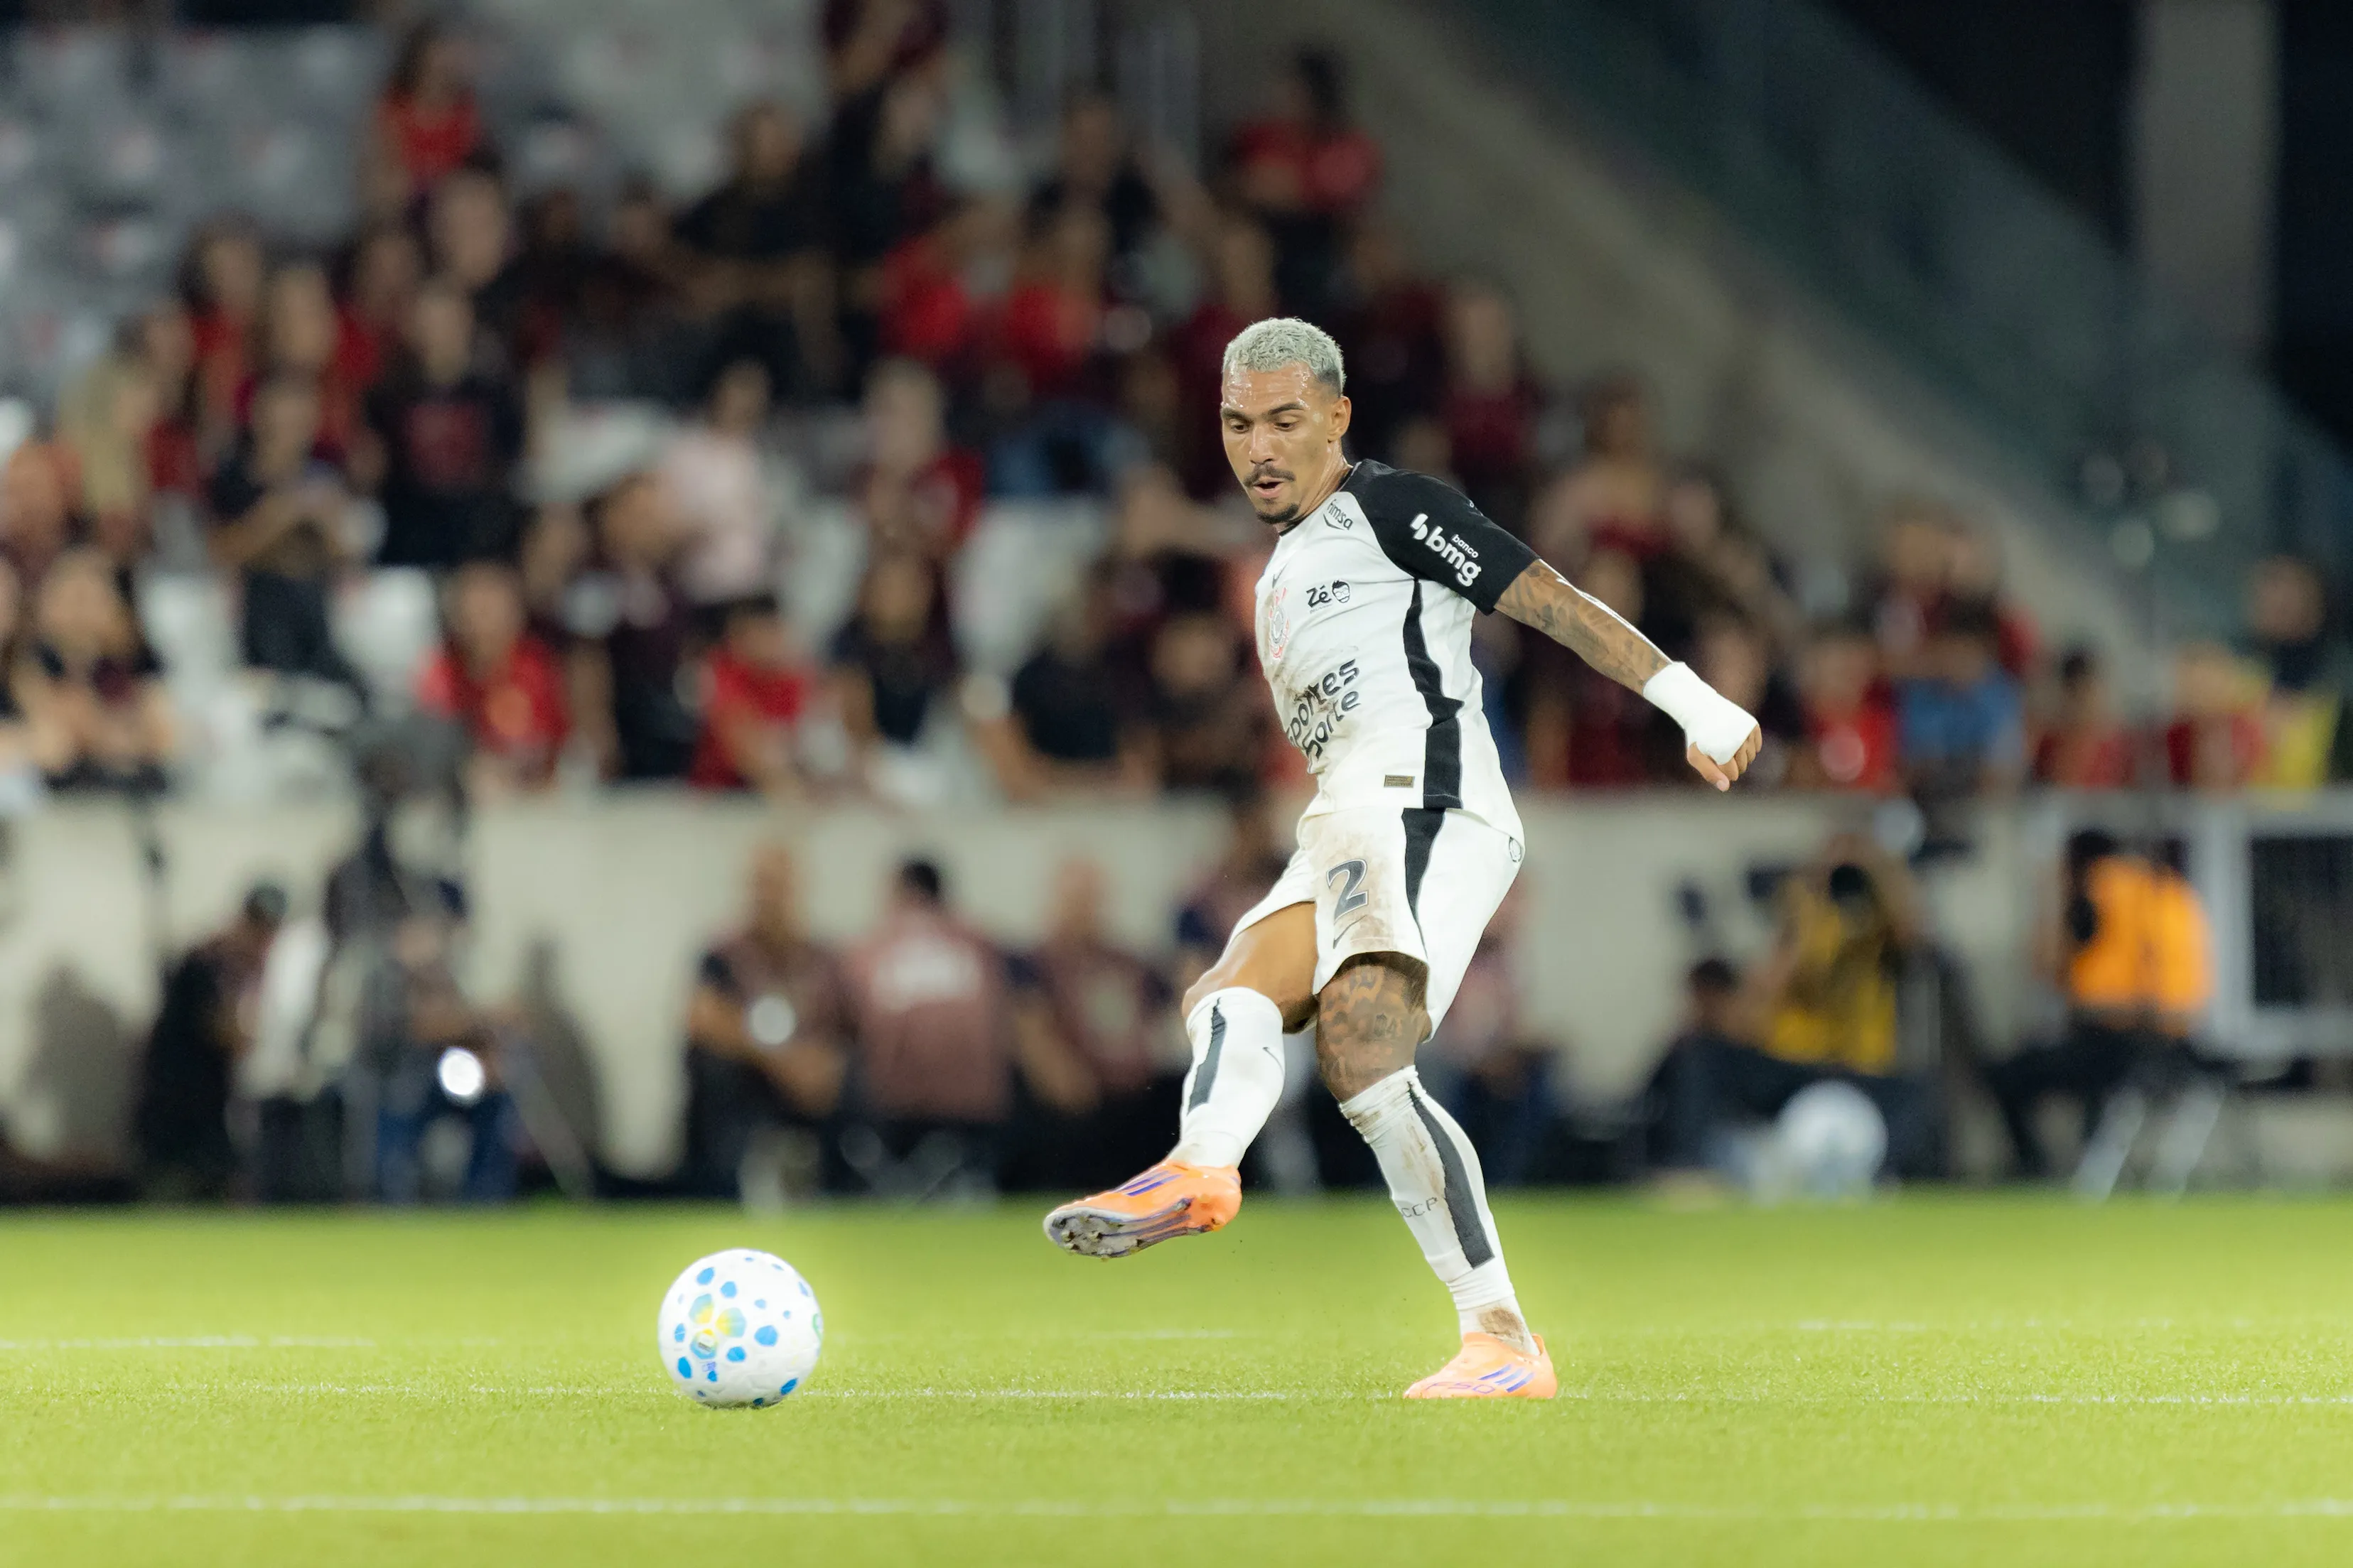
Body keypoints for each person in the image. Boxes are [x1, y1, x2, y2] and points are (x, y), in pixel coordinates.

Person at [1042, 318, 1763, 1399]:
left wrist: (1691, 701)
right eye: (1238, 425)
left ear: (1336, 417)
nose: (1260, 448)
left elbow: (1548, 599)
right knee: (1227, 994)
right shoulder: (1276, 573)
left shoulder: (1392, 507)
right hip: (1343, 818)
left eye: (1286, 420)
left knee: (1361, 1048)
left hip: (1430, 800)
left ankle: (1501, 1338)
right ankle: (1199, 1167)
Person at [1983, 830, 2214, 1179]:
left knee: (2007, 1075)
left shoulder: (2098, 892)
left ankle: (2033, 1170)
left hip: (2117, 1042)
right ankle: (2084, 1161)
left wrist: (2047, 897)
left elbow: (2047, 969)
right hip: (2181, 1043)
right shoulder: (2171, 891)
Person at [680, 843, 849, 1201]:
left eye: (775, 885)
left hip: (809, 1080)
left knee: (854, 1074)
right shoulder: (723, 954)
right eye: (759, 885)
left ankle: (843, 1186)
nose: (766, 897)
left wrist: (821, 1063)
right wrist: (779, 1059)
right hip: (750, 1077)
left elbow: (845, 1025)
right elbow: (703, 1017)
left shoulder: (822, 958)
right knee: (710, 1066)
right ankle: (722, 1186)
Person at [839, 859, 1014, 1195]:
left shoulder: (872, 945)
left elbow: (845, 1015)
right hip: (977, 1110)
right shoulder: (981, 944)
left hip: (894, 1109)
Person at [1007, 858, 1181, 1192]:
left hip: (1136, 1098)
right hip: (1075, 1102)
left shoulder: (1129, 963)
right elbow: (1031, 1029)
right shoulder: (1034, 964)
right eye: (1076, 898)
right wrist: (1063, 1079)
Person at [206, 374, 365, 694]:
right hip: (262, 607)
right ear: (259, 417)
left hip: (315, 606)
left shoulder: (325, 477)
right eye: (286, 418)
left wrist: (328, 525)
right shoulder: (234, 477)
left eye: (302, 419)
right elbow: (222, 552)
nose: (294, 429)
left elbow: (347, 558)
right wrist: (280, 514)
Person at [132, 882, 287, 1201]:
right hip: (179, 1111)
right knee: (173, 1200)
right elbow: (228, 1033)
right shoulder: (210, 964)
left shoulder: (222, 963)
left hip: (208, 1111)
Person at [414, 561, 570, 798]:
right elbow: (434, 745)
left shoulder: (535, 666)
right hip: (466, 790)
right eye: (473, 608)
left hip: (532, 790)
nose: (481, 619)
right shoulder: (442, 670)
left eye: (490, 608)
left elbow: (547, 742)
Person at [688, 594, 815, 796]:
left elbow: (810, 738)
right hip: (720, 795)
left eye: (772, 632)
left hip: (774, 787)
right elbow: (745, 747)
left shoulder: (794, 678)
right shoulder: (723, 673)